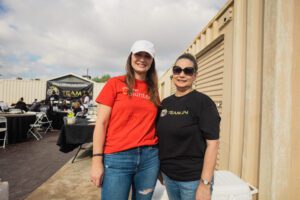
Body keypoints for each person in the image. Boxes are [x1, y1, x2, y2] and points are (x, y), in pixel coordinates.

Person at [90, 40, 160, 200]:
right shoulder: (115, 83)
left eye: (147, 56)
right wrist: (96, 160)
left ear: (152, 61)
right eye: (138, 54)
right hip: (117, 157)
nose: (142, 59)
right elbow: (101, 124)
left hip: (149, 158)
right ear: (131, 57)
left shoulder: (153, 89)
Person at [156, 53, 220, 200]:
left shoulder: (204, 103)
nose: (182, 74)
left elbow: (213, 144)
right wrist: (159, 171)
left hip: (193, 180)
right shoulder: (165, 104)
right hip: (169, 177)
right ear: (173, 74)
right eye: (177, 70)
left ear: (195, 76)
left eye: (188, 71)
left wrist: (205, 184)